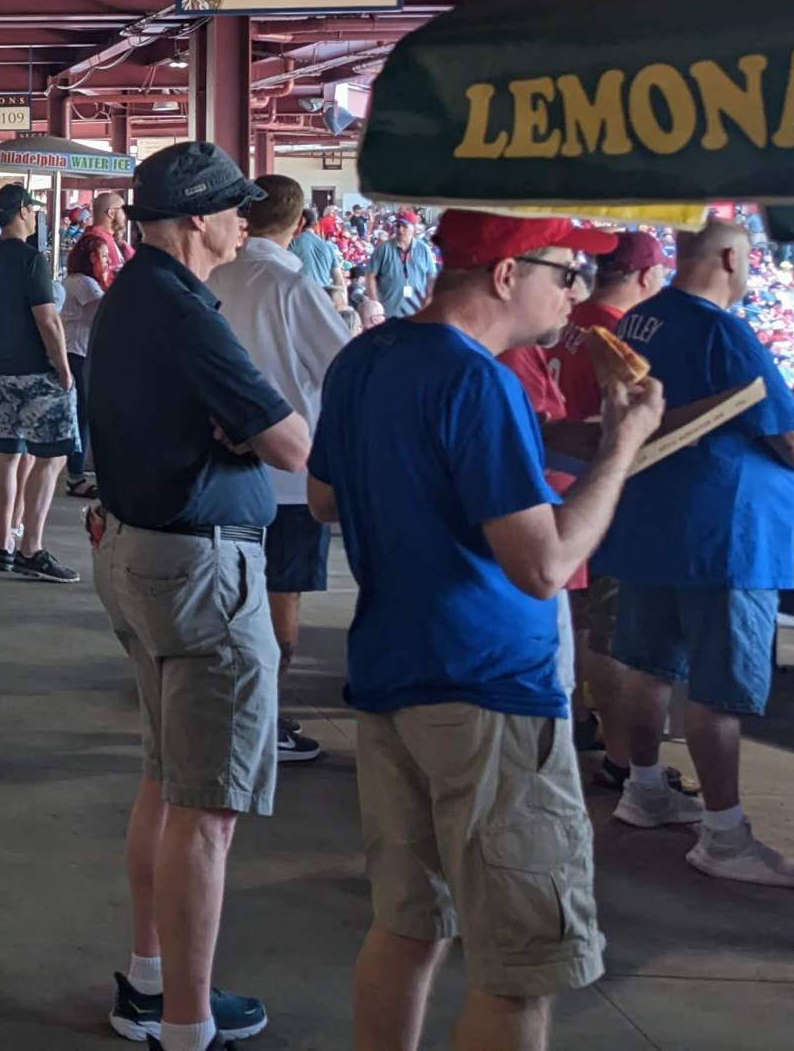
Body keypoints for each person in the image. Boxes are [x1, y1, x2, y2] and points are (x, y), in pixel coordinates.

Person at [306, 210, 655, 1051]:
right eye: (566, 273)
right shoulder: (479, 381)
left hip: (393, 674)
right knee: (521, 968)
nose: (576, 294)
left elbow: (324, 500)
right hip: (489, 687)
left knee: (408, 926)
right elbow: (542, 565)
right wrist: (622, 445)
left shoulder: (369, 356)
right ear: (507, 275)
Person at [86, 143, 308, 1051]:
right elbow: (291, 441)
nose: (244, 225)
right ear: (192, 223)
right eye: (232, 211)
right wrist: (248, 437)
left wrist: (235, 432)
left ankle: (152, 982)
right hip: (202, 572)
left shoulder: (136, 297)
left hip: (143, 555)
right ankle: (188, 1022)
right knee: (205, 809)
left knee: (164, 780)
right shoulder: (185, 312)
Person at [591, 217, 794, 884]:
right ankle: (724, 835)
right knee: (720, 687)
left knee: (645, 665)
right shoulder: (724, 331)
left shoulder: (640, 320)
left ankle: (645, 790)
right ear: (732, 258)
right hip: (725, 536)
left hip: (650, 522)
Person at [205, 173, 357, 768]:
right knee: (278, 603)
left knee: (225, 596)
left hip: (218, 470)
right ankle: (261, 721)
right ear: (299, 225)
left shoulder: (214, 275)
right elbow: (344, 370)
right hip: (291, 477)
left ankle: (224, 710)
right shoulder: (293, 284)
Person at [539, 230, 671, 786]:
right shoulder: (616, 331)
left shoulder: (563, 320)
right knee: (606, 631)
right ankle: (622, 758)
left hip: (554, 483)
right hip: (595, 487)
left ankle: (581, 725)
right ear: (645, 276)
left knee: (575, 624)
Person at [0, 185, 81, 582]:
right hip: (35, 370)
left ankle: (5, 544)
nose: (35, 215)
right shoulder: (32, 260)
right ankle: (32, 546)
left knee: (7, 454)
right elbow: (47, 319)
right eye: (31, 209)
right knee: (51, 457)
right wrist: (64, 367)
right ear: (19, 213)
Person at [60, 233, 112, 501]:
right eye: (103, 256)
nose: (107, 261)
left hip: (78, 352)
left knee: (81, 416)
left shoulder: (77, 281)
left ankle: (76, 470)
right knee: (80, 417)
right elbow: (106, 312)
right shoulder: (84, 283)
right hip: (77, 353)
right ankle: (75, 475)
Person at [368, 215, 416, 321]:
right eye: (398, 225)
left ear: (413, 228)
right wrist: (376, 307)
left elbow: (432, 278)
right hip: (388, 313)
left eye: (404, 226)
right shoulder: (383, 249)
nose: (400, 229)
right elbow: (370, 277)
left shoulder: (423, 250)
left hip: (416, 314)